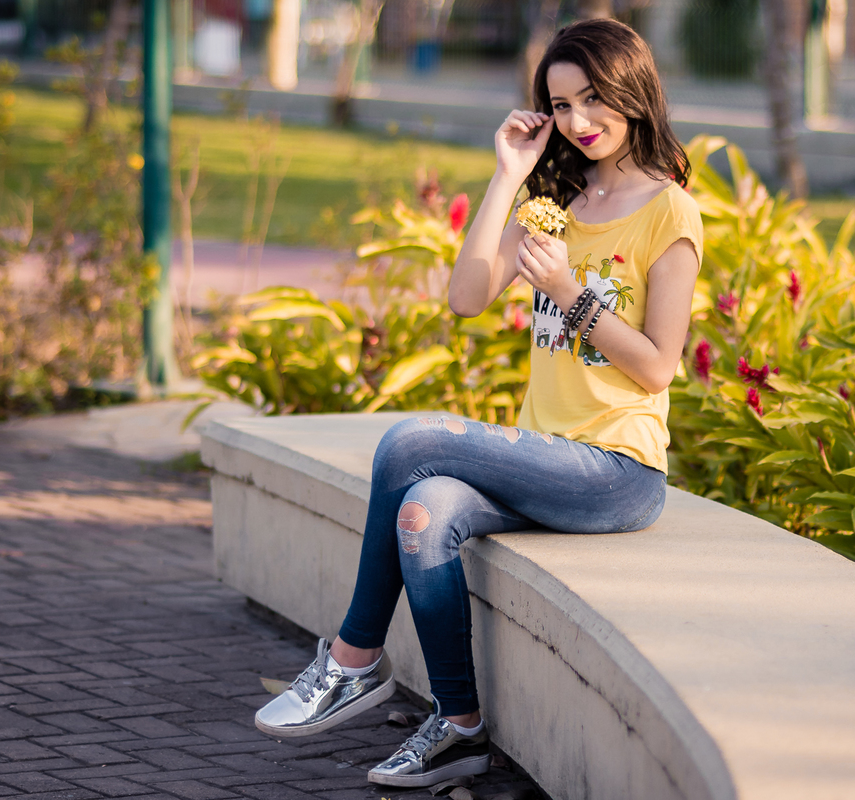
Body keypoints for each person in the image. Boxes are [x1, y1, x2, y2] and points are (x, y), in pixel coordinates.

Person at [253, 18, 703, 789]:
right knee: (422, 512)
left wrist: (569, 292)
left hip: (616, 470)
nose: (577, 122)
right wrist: (509, 174)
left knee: (409, 441)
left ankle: (354, 657)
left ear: (634, 93)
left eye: (594, 99)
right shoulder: (555, 199)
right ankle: (459, 724)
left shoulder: (669, 213)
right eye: (560, 105)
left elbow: (659, 368)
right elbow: (465, 297)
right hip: (546, 457)